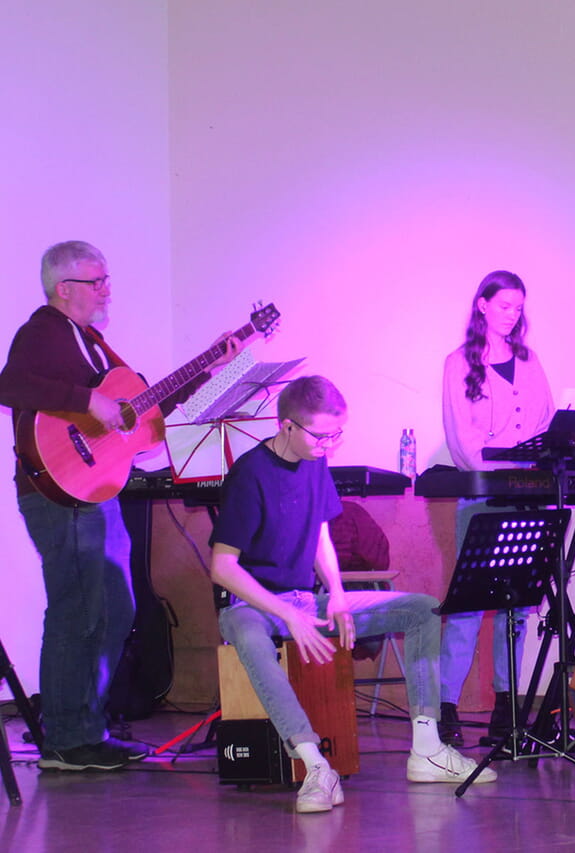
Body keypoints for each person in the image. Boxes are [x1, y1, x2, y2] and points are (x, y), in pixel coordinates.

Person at [0, 240, 236, 771]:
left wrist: (208, 367)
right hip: (56, 493)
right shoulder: (43, 330)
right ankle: (65, 737)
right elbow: (10, 384)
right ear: (65, 289)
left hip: (96, 491)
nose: (107, 289)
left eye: (106, 279)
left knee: (115, 608)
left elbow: (142, 407)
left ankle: (87, 726)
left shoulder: (93, 344)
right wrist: (87, 401)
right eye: (97, 280)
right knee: (76, 610)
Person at [210, 375, 496, 813]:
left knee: (421, 610)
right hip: (256, 605)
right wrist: (286, 616)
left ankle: (426, 748)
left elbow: (320, 531)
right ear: (287, 426)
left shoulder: (314, 461)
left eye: (336, 434)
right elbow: (223, 567)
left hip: (306, 600)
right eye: (322, 435)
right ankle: (314, 765)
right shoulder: (250, 474)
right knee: (247, 633)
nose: (330, 444)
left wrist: (339, 594)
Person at [439, 270, 554, 746]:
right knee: (469, 608)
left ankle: (507, 715)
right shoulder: (457, 362)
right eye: (505, 305)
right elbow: (463, 440)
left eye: (519, 307)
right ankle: (445, 710)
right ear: (483, 305)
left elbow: (548, 423)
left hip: (527, 497)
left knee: (519, 607)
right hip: (485, 498)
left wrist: (532, 461)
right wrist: (506, 456)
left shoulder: (529, 361)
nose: (513, 314)